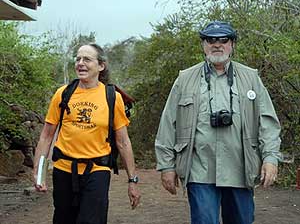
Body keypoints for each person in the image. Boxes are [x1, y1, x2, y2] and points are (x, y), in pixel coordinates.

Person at [155, 21, 282, 224]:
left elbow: (267, 122)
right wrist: (166, 166)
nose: (217, 45)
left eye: (224, 40)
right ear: (203, 44)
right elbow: (168, 123)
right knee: (204, 220)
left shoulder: (250, 78)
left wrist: (270, 159)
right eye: (210, 40)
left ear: (232, 44)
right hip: (199, 169)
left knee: (242, 219)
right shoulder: (185, 79)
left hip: (240, 168)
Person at [33, 43, 141, 224]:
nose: (80, 63)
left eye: (87, 59)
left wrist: (132, 180)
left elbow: (123, 142)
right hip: (64, 170)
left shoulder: (112, 97)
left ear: (101, 66)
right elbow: (46, 135)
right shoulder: (63, 94)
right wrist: (38, 171)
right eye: (78, 59)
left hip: (97, 170)